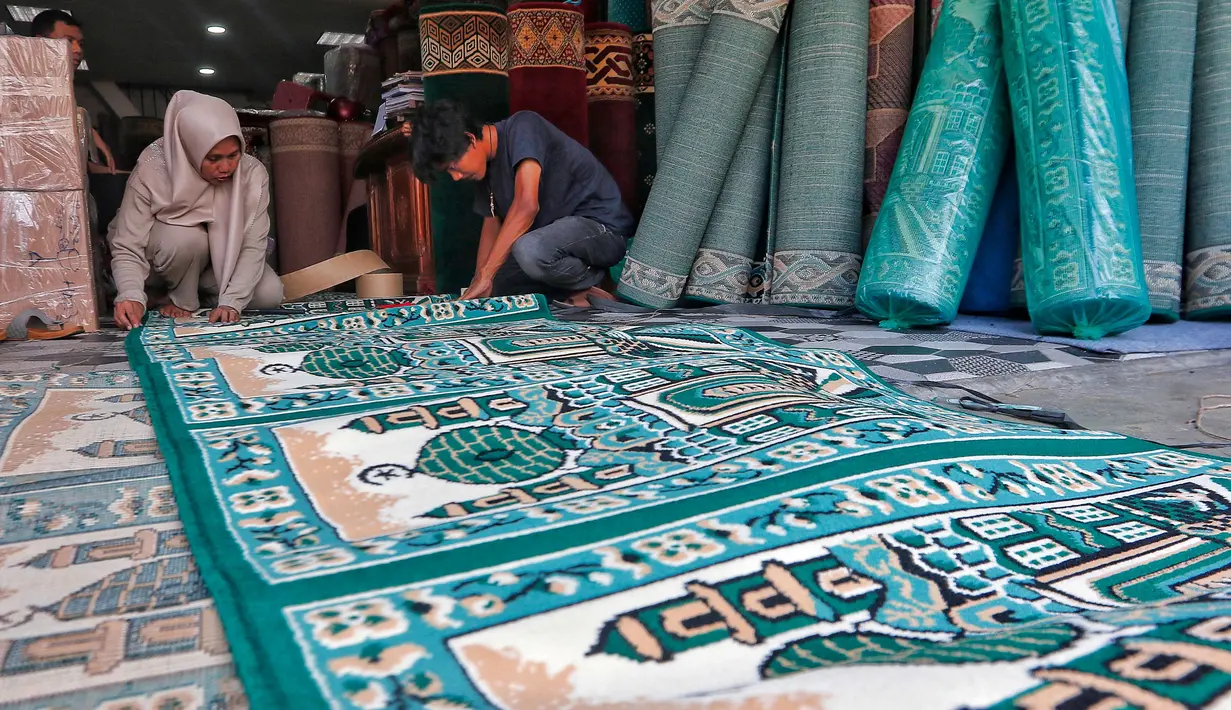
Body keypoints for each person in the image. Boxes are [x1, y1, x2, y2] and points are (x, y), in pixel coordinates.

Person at [409, 100, 634, 305]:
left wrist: (487, 274)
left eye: (453, 166)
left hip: (602, 232)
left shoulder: (524, 126)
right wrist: (481, 284)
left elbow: (526, 206)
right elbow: (491, 226)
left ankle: (592, 282)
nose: (456, 177)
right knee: (501, 284)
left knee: (528, 250)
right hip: (558, 247)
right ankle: (575, 295)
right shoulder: (483, 170)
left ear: (469, 138)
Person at [108, 90, 283, 330]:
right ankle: (167, 295)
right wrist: (130, 294)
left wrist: (231, 303)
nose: (226, 167)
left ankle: (187, 300)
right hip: (162, 266)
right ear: (189, 150)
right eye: (213, 158)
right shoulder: (152, 169)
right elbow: (127, 244)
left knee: (269, 294)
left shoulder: (252, 174)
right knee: (185, 238)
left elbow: (253, 244)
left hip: (214, 267)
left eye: (233, 155)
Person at [29, 9, 116, 174]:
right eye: (68, 41)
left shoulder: (61, 88)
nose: (78, 50)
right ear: (40, 43)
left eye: (80, 44)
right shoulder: (21, 89)